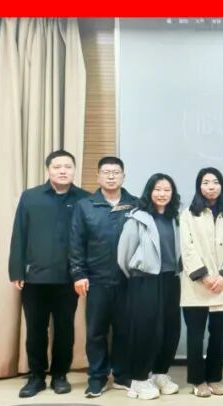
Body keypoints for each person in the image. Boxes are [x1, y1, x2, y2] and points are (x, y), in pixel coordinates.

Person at [9, 150, 89, 398]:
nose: (63, 171)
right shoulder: (31, 197)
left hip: (69, 278)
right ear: (48, 170)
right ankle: (36, 377)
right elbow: (19, 233)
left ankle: (60, 375)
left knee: (65, 329)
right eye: (57, 167)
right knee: (36, 329)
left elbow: (89, 240)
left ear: (74, 170)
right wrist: (16, 270)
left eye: (68, 166)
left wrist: (84, 273)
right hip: (35, 277)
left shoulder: (85, 199)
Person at [69, 156, 139, 397]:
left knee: (124, 330)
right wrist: (78, 273)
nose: (111, 176)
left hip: (128, 280)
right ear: (98, 176)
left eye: (116, 172)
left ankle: (121, 374)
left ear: (123, 176)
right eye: (106, 172)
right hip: (96, 279)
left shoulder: (135, 205)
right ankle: (97, 377)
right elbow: (76, 243)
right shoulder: (85, 206)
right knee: (96, 332)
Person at [116, 173, 183, 400]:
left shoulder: (176, 219)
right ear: (149, 192)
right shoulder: (137, 218)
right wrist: (139, 273)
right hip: (144, 279)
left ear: (172, 194)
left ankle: (160, 373)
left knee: (171, 328)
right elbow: (124, 256)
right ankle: (138, 379)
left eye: (167, 190)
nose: (162, 194)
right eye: (157, 189)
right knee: (145, 330)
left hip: (171, 278)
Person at [180, 167, 223, 397]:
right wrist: (204, 276)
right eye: (206, 182)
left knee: (218, 335)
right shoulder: (188, 214)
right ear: (199, 186)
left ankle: (214, 377)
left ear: (221, 185)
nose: (211, 186)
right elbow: (187, 248)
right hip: (197, 284)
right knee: (195, 336)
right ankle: (197, 381)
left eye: (215, 182)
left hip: (222, 285)